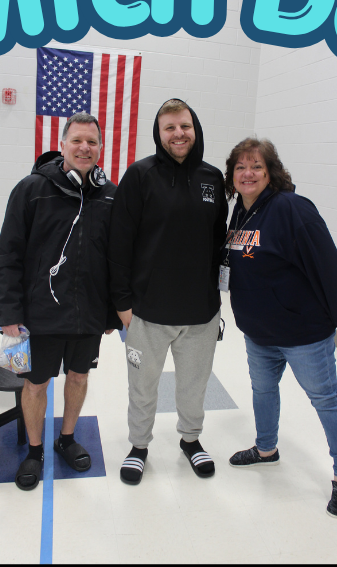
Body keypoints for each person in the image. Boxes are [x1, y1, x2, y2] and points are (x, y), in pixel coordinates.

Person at [222, 138, 337, 518]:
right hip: (259, 334)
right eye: (241, 167)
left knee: (325, 400)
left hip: (303, 335)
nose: (248, 173)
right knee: (262, 392)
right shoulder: (239, 212)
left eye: (257, 167)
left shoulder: (293, 209)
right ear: (232, 175)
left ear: (271, 172)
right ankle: (266, 449)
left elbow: (328, 265)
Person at [0, 113, 120, 490]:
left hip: (89, 315)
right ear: (62, 145)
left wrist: (112, 311)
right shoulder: (31, 189)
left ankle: (67, 439)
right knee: (35, 384)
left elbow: (118, 258)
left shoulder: (111, 195)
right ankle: (34, 451)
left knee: (79, 377)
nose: (85, 147)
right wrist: (9, 314)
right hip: (38, 316)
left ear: (100, 149)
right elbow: (8, 254)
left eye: (92, 142)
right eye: (77, 140)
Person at [108, 98, 228, 484]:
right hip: (146, 314)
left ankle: (191, 440)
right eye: (170, 128)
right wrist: (123, 305)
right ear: (158, 135)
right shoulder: (140, 175)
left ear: (196, 130)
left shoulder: (212, 178)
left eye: (185, 126)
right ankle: (139, 446)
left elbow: (217, 245)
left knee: (194, 385)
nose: (179, 134)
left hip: (200, 314)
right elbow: (119, 243)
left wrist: (216, 301)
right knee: (143, 386)